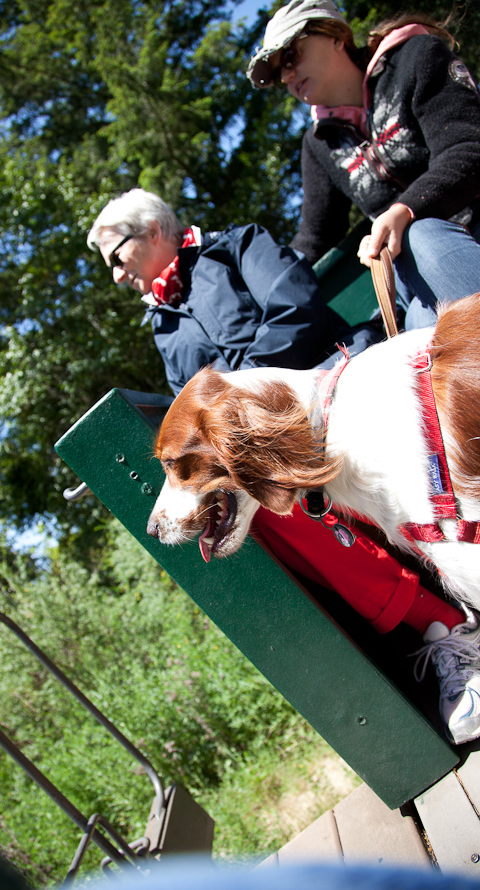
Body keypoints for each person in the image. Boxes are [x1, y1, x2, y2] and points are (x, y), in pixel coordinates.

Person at [87, 187, 480, 745]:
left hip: (327, 379)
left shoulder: (237, 245)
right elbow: (189, 401)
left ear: (152, 231)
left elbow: (296, 306)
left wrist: (243, 395)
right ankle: (435, 629)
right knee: (249, 487)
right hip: (252, 429)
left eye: (115, 256)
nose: (115, 275)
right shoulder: (162, 326)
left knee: (261, 466)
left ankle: (447, 611)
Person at [247, 0, 480, 330]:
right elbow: (315, 236)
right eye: (277, 73)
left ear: (336, 36)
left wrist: (405, 211)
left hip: (459, 234)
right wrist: (262, 287)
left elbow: (468, 147)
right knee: (417, 322)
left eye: (291, 55)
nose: (286, 75)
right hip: (410, 278)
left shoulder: (415, 58)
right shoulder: (319, 143)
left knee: (420, 240)